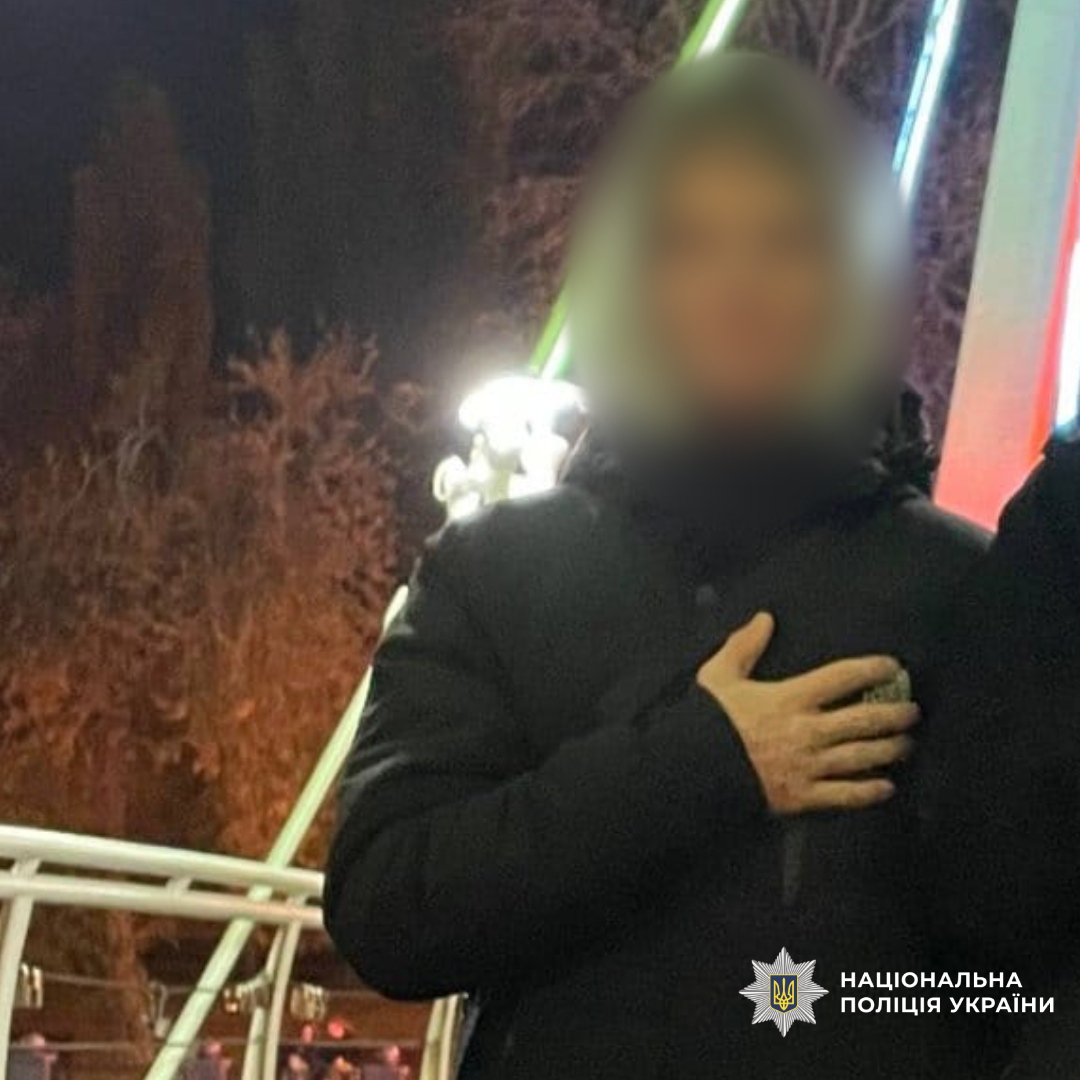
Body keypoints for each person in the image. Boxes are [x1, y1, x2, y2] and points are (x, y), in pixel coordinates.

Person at [324, 53, 997, 1079]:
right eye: (689, 244)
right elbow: (390, 907)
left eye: (786, 242)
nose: (738, 285)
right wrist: (702, 764)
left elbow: (1028, 963)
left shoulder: (964, 589)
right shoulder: (494, 571)